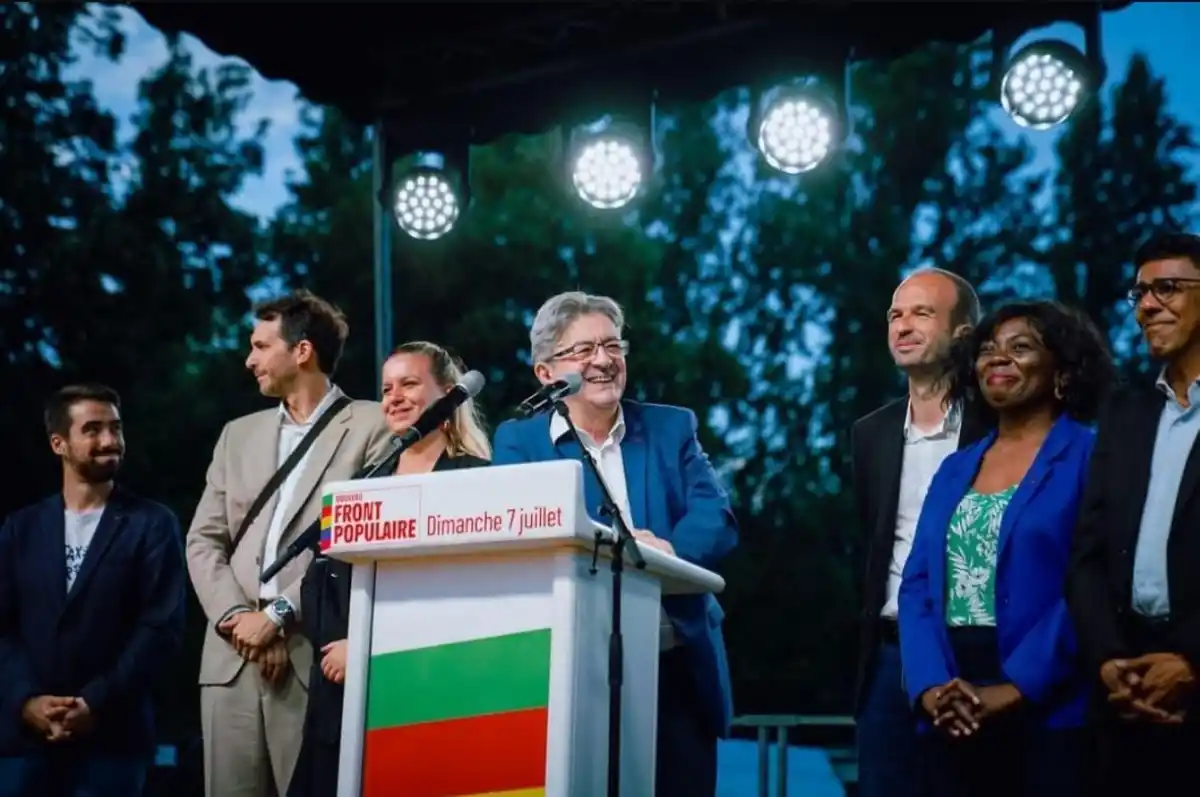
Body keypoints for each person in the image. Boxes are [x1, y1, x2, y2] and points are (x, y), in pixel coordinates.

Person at [491, 290, 738, 797]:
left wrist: (665, 554)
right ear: (545, 373)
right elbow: (518, 541)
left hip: (674, 667)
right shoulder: (519, 441)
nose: (603, 361)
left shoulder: (672, 427)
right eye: (583, 351)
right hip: (572, 672)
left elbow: (717, 517)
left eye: (612, 345)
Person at [899, 301, 1116, 797]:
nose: (998, 358)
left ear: (1063, 371)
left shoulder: (1093, 456)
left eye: (1021, 348)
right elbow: (916, 587)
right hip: (952, 700)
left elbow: (1093, 581)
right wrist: (932, 687)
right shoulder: (956, 468)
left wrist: (1015, 688)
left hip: (1051, 704)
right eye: (988, 350)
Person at [186, 291, 393, 797]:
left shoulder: (372, 424)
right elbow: (203, 540)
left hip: (310, 656)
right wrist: (240, 620)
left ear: (301, 351)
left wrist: (277, 615)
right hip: (229, 662)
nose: (249, 359)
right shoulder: (237, 434)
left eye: (260, 346)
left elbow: (359, 539)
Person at [288, 341, 492, 797]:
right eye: (386, 388)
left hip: (427, 697)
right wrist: (334, 649)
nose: (394, 397)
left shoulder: (476, 480)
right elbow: (318, 581)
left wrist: (368, 647)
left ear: (448, 394)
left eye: (410, 384)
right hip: (340, 704)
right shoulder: (364, 486)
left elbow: (471, 596)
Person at [0, 384, 187, 797]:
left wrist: (95, 702)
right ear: (59, 443)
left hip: (113, 744)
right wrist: (25, 701)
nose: (109, 441)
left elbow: (161, 628)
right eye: (93, 429)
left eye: (116, 429)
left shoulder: (152, 523)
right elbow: (3, 628)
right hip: (23, 744)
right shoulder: (21, 527)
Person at [1067, 231, 1200, 793]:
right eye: (1140, 292)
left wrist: (1194, 662)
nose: (1147, 305)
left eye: (1167, 288)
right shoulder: (1125, 412)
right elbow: (1087, 554)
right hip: (1123, 693)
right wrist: (1107, 660)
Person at [851, 268, 985, 797]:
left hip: (972, 652)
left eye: (922, 313)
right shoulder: (870, 433)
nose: (902, 326)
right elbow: (870, 542)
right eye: (895, 314)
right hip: (888, 658)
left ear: (963, 332)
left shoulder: (997, 425)